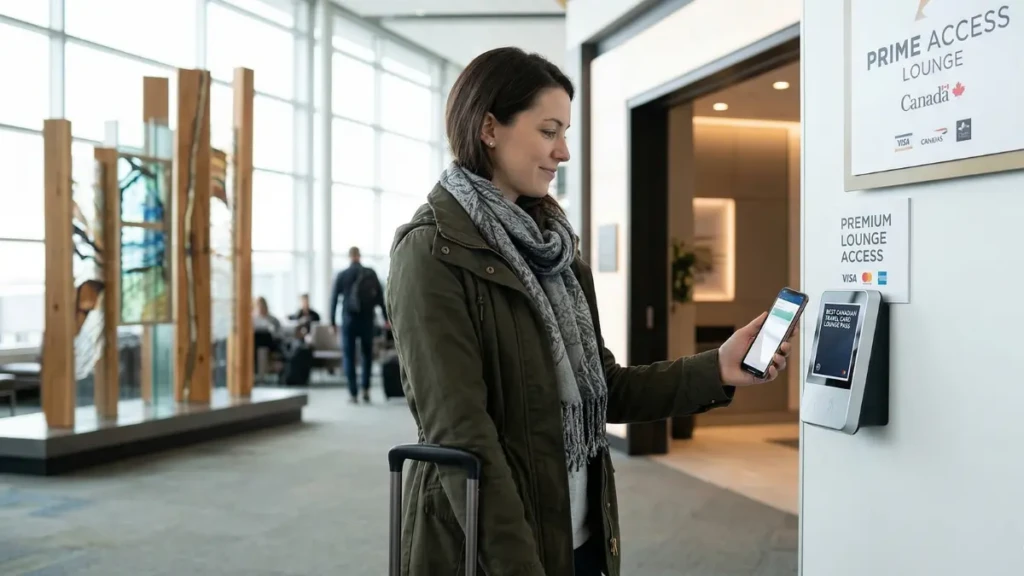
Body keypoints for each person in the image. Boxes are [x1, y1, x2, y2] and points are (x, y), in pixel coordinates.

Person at [385, 47, 791, 576]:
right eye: (548, 131)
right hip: (489, 553)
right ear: (489, 128)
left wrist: (716, 367)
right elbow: (461, 435)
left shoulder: (556, 255)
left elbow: (605, 388)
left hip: (576, 536)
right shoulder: (431, 252)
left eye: (565, 133)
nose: (563, 152)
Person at [330, 246, 387, 404]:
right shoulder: (370, 273)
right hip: (367, 319)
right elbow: (380, 297)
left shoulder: (343, 275)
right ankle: (366, 389)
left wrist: (332, 322)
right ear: (359, 256)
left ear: (349, 257)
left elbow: (334, 299)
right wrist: (386, 318)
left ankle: (353, 393)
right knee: (367, 355)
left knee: (349, 356)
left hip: (349, 319)